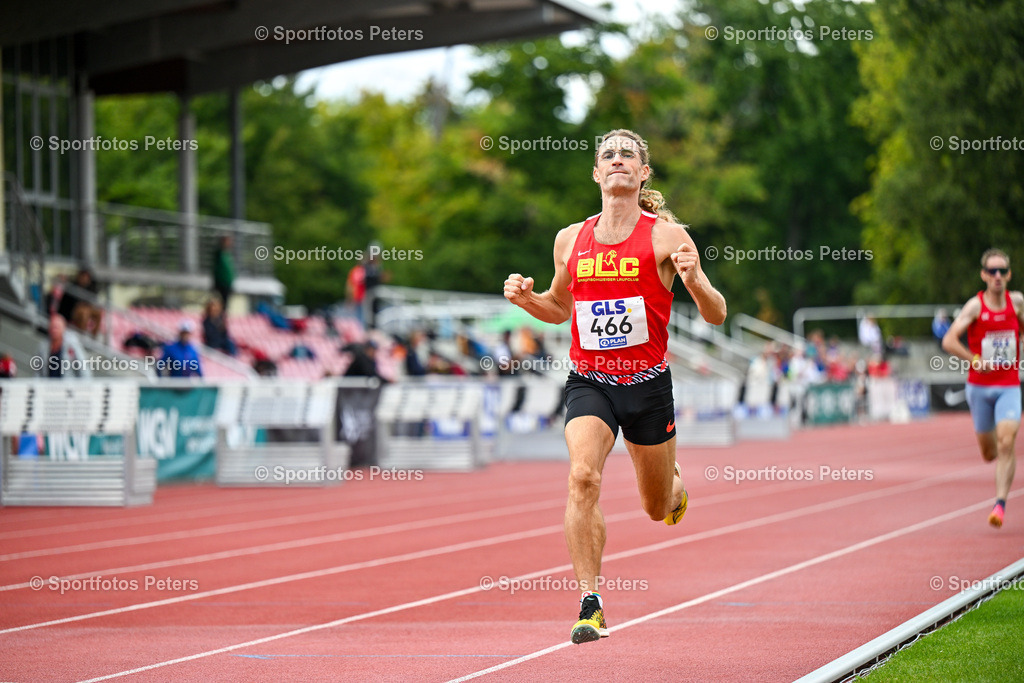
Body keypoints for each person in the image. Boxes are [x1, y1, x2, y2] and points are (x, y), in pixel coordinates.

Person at [503, 129, 727, 644]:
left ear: (643, 172)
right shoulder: (569, 239)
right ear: (597, 174)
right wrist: (525, 299)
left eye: (629, 154)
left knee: (657, 509)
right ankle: (591, 603)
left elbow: (717, 315)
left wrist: (695, 282)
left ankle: (671, 479)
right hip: (590, 381)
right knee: (583, 477)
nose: (619, 160)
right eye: (609, 155)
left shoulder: (668, 238)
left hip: (648, 387)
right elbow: (559, 309)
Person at [942, 248, 1023, 528]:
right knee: (990, 452)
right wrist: (975, 360)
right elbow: (949, 341)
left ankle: (999, 503)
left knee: (1006, 441)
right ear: (984, 275)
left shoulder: (1018, 303)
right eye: (992, 271)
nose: (998, 276)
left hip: (1009, 385)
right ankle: (998, 481)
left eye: (1002, 270)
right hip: (979, 387)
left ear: (1009, 274)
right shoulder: (975, 306)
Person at [212, 235, 236, 308]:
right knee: (219, 302)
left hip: (227, 282)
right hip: (221, 282)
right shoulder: (219, 254)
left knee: (225, 303)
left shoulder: (228, 254)